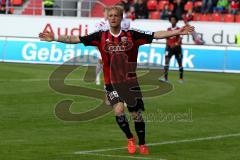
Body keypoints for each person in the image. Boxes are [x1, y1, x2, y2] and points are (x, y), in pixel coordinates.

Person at [39, 5, 194, 154]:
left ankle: (142, 143)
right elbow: (75, 38)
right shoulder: (100, 35)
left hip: (131, 83)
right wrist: (55, 38)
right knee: (119, 111)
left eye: (116, 16)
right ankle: (130, 138)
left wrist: (179, 32)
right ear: (107, 18)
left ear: (121, 18)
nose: (113, 18)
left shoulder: (132, 34)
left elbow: (156, 34)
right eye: (110, 16)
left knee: (136, 115)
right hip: (111, 83)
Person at [160, 15, 184, 83]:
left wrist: (176, 44)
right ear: (170, 21)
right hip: (169, 48)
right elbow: (167, 38)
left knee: (180, 62)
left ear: (176, 21)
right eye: (171, 20)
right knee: (166, 62)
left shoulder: (179, 29)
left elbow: (180, 39)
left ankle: (181, 78)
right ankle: (165, 78)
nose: (173, 21)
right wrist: (167, 46)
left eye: (174, 20)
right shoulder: (168, 29)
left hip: (177, 48)